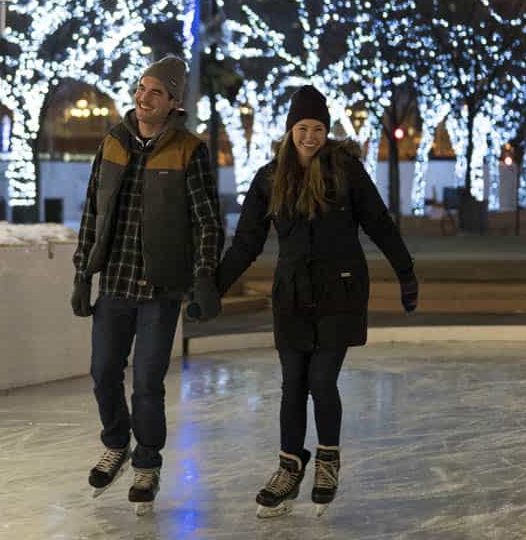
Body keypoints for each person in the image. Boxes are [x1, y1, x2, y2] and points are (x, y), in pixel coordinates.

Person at [215, 85, 419, 519]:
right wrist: (214, 286)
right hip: (292, 294)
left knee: (322, 381)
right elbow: (247, 242)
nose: (311, 136)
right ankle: (289, 467)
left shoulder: (345, 172)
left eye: (319, 129)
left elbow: (379, 223)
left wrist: (405, 271)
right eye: (303, 128)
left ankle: (327, 460)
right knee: (293, 385)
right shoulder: (270, 178)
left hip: (340, 291)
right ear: (290, 130)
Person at [71, 56, 224, 514]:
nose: (143, 97)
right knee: (102, 374)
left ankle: (147, 461)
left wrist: (203, 278)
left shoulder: (188, 151)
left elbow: (207, 222)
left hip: (161, 288)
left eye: (156, 91)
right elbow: (92, 214)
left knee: (147, 385)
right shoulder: (113, 143)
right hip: (115, 283)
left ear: (174, 102)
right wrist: (83, 273)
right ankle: (116, 443)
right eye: (141, 88)